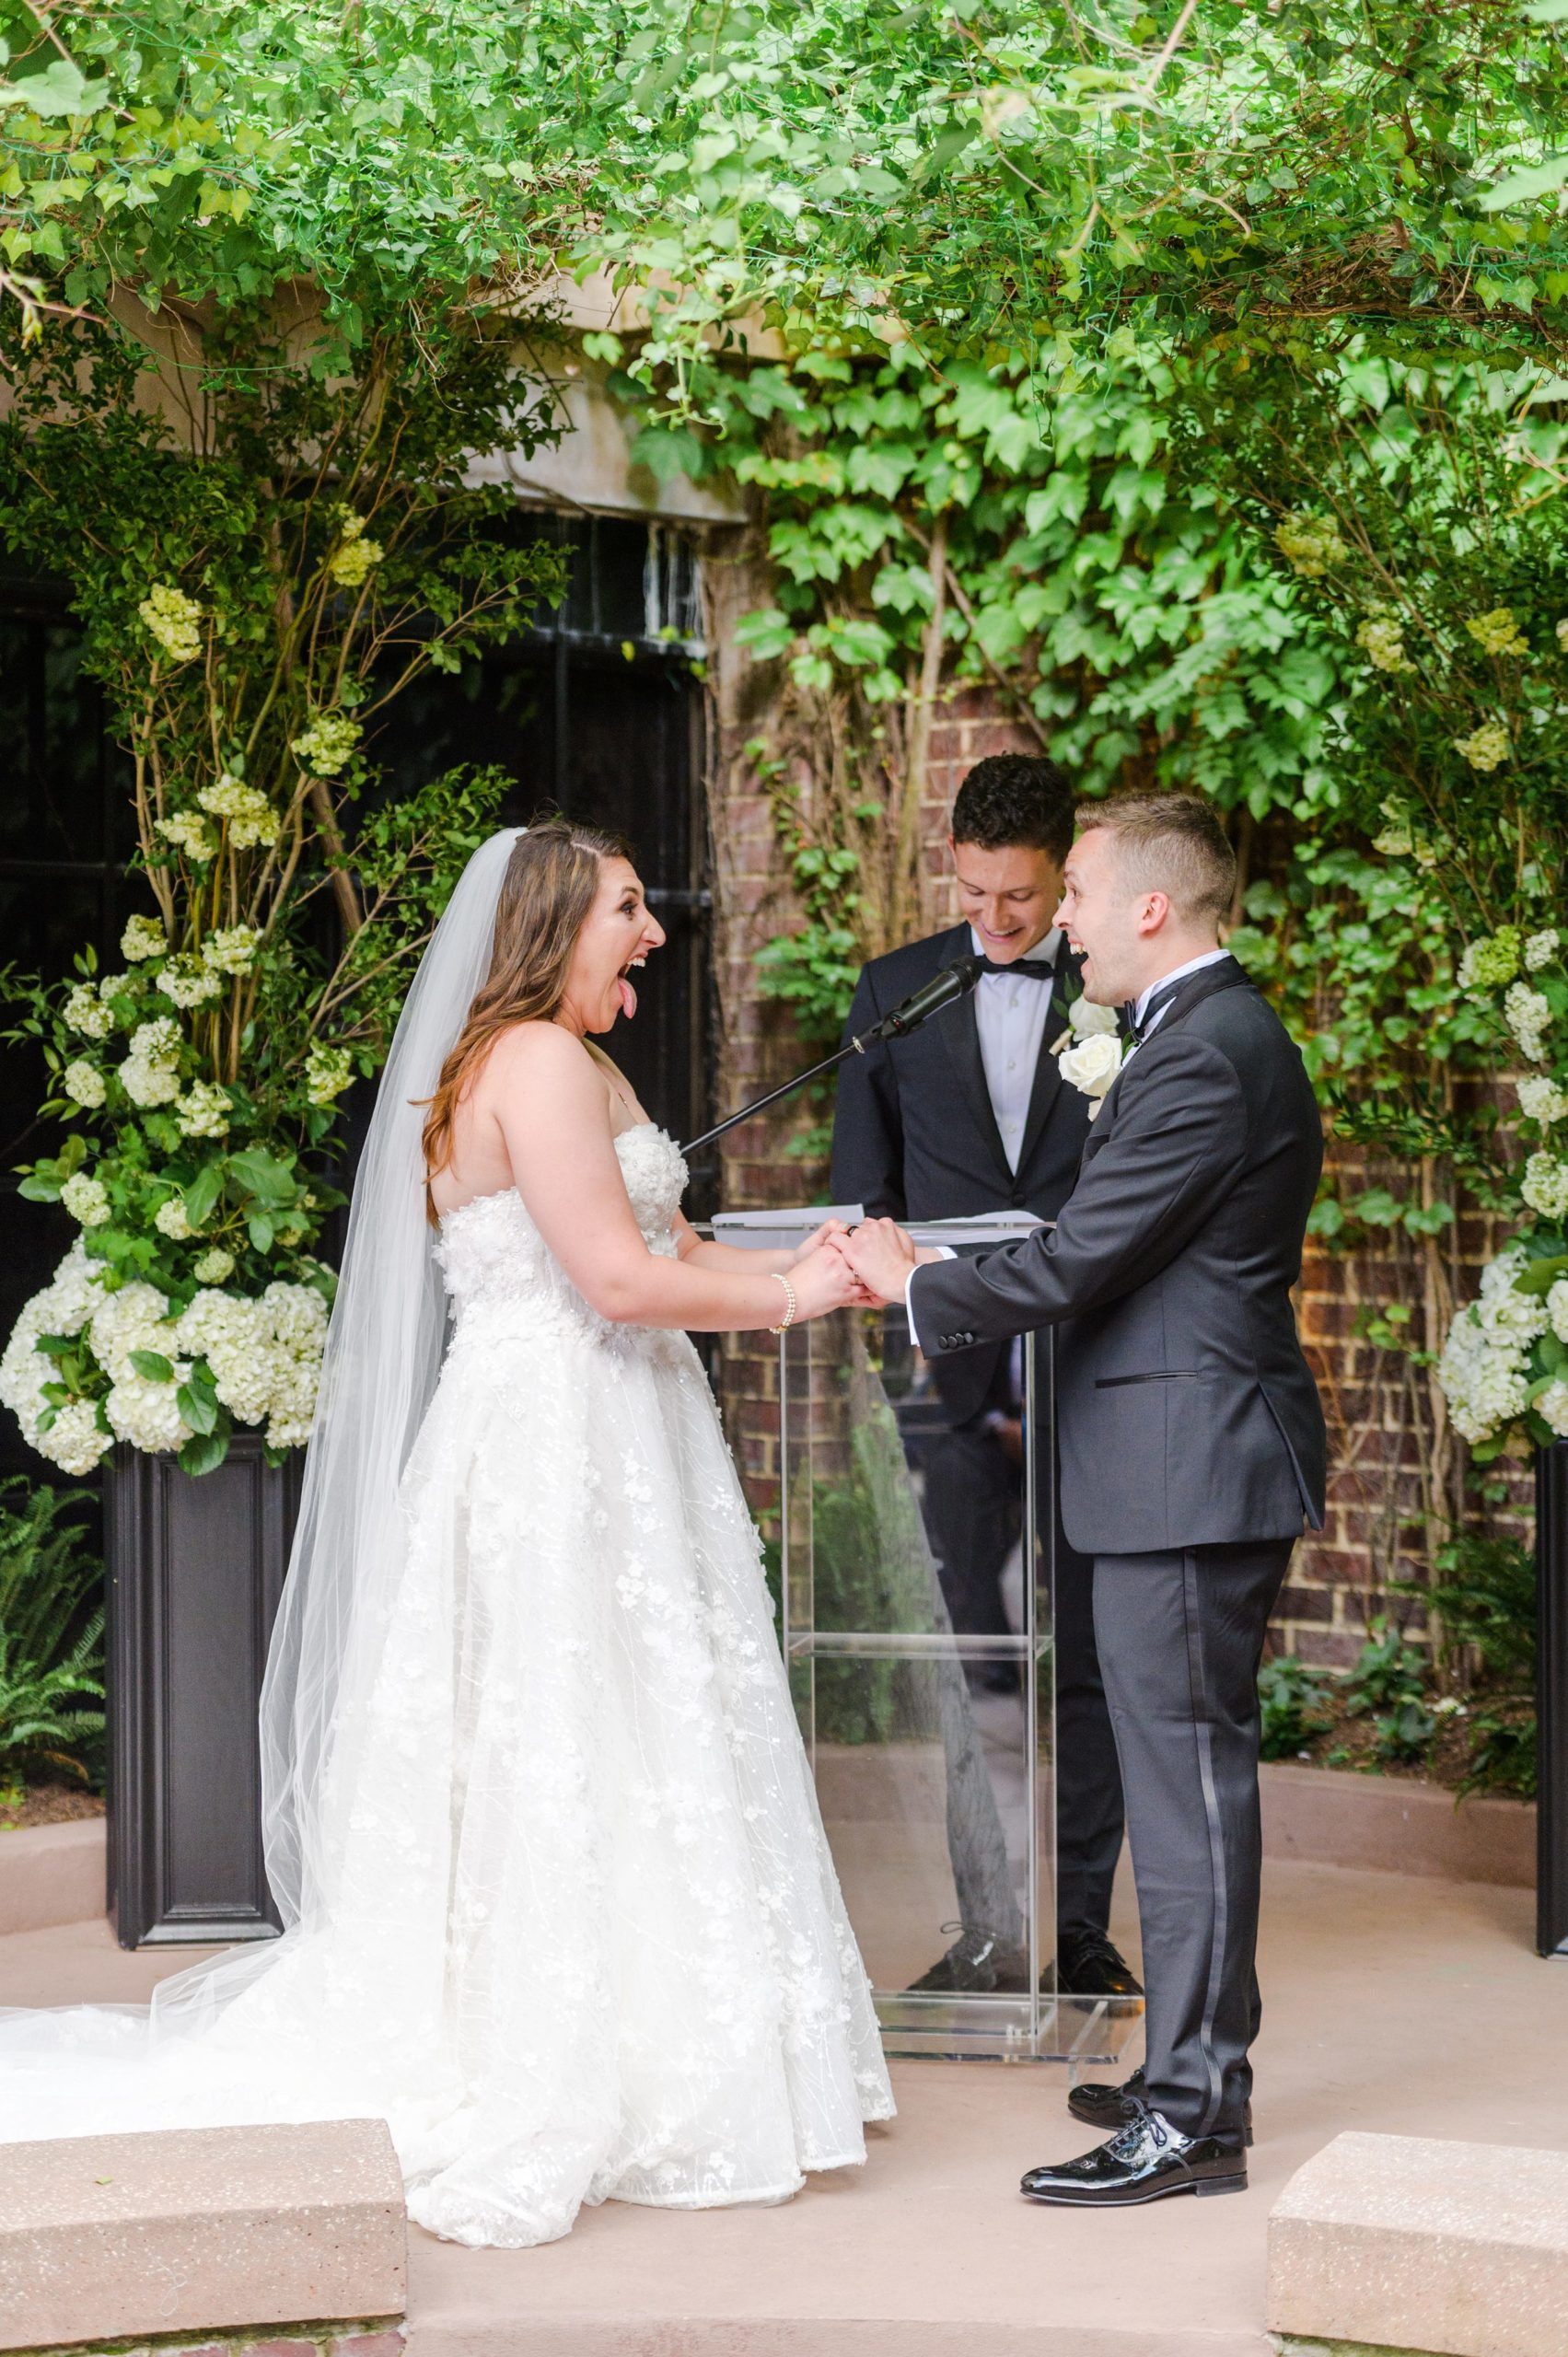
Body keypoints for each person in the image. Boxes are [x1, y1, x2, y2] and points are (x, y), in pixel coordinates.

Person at [0, 819, 894, 2248]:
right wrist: (793, 1306)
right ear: (550, 921)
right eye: (625, 910)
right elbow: (612, 1280)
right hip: (555, 1444)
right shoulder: (534, 1063)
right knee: (563, 1733)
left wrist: (818, 1265)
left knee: (637, 1730)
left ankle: (660, 2041)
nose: (652, 933)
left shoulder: (576, 1058)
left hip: (619, 1437)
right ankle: (559, 2064)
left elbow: (668, 1247)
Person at [844, 794, 1325, 2208]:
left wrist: (909, 1278)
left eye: (1080, 897)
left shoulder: (1205, 1057)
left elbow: (1078, 1260)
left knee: (1188, 1797)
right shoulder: (1197, 1036)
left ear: (1152, 913)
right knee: (1188, 1786)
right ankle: (1194, 2064)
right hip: (1168, 1466)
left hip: (1188, 1471)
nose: (1060, 922)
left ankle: (1194, 2114)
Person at [831, 755, 1134, 2003]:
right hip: (944, 1377)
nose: (995, 921)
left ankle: (1079, 1934)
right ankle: (985, 1930)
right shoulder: (892, 993)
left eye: (1018, 900)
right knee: (965, 1660)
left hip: (1099, 1372)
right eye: (972, 894)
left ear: (1063, 879)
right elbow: (865, 1193)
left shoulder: (1123, 991)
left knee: (1094, 1660)